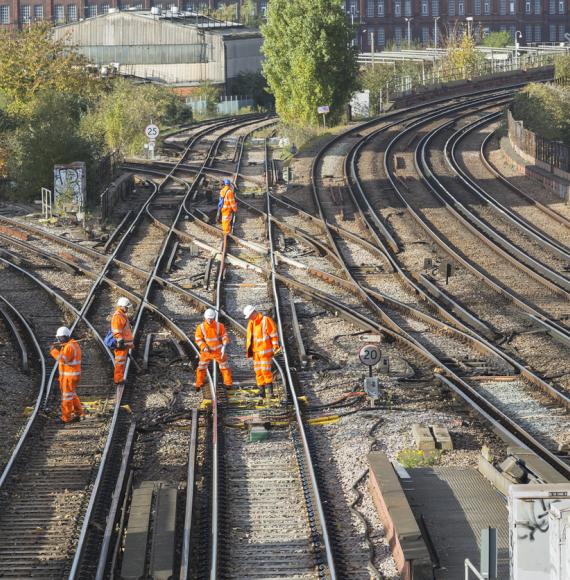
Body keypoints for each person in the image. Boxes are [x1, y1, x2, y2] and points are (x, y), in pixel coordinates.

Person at [243, 305, 280, 399]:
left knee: (265, 371)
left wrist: (275, 346)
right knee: (258, 372)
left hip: (265, 352)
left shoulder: (265, 320)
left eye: (250, 316)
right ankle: (261, 393)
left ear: (254, 313)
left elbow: (273, 334)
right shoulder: (251, 323)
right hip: (256, 353)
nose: (250, 318)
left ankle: (270, 393)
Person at [50, 326, 84, 423]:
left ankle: (66, 418)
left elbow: (63, 359)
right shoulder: (72, 344)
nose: (58, 340)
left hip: (69, 376)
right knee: (71, 394)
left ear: (65, 336)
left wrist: (53, 351)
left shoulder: (69, 346)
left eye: (59, 338)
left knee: (66, 397)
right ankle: (78, 412)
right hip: (71, 375)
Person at [194, 308, 232, 391]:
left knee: (225, 367)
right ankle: (198, 383)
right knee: (201, 368)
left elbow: (224, 335)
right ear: (205, 317)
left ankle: (228, 383)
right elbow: (198, 339)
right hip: (206, 352)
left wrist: (224, 343)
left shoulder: (219, 326)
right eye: (208, 318)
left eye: (211, 318)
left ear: (214, 318)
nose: (210, 320)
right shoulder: (201, 327)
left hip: (218, 351)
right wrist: (203, 347)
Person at [111, 297, 134, 385]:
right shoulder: (118, 316)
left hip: (124, 344)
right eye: (127, 307)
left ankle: (119, 377)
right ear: (123, 306)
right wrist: (120, 341)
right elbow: (116, 330)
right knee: (119, 362)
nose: (127, 309)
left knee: (121, 362)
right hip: (121, 344)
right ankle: (118, 379)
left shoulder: (121, 315)